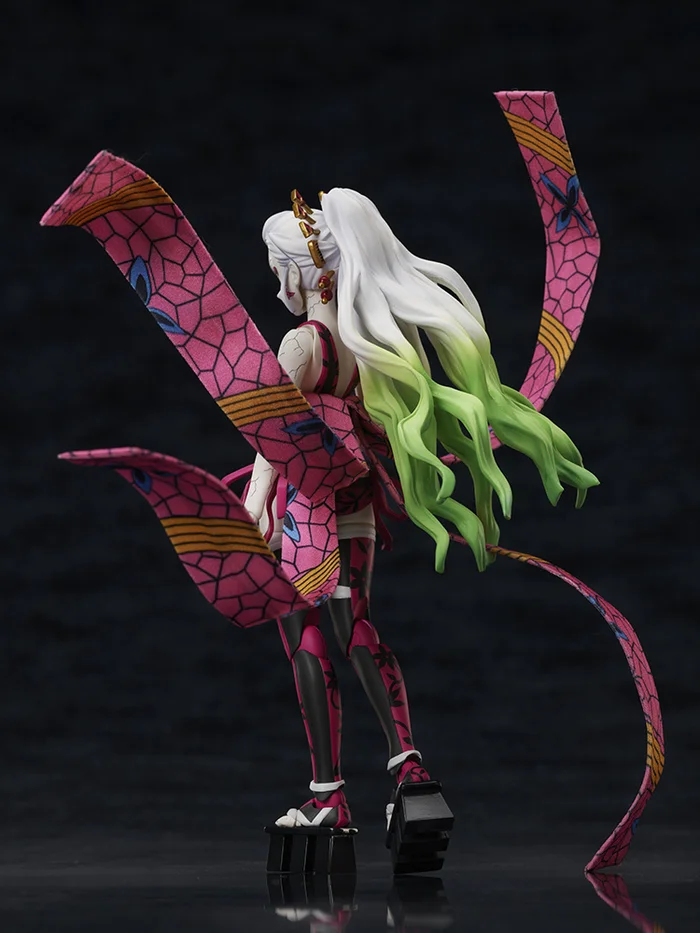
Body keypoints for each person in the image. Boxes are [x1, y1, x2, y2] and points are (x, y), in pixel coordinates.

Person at [242, 188, 598, 830]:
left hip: (303, 513)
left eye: (279, 273)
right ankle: (409, 770)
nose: (277, 289)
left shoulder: (301, 346)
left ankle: (328, 797)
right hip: (354, 504)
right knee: (356, 624)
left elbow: (273, 440)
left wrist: (251, 512)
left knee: (304, 635)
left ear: (304, 273)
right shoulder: (368, 343)